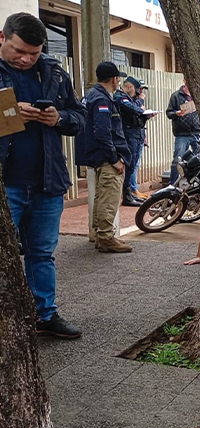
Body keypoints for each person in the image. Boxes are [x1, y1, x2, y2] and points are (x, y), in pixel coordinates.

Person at [0, 12, 86, 339]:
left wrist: (58, 118)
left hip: (47, 182)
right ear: (2, 38)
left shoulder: (53, 72)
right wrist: (8, 112)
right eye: (19, 51)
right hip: (6, 182)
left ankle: (44, 314)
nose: (26, 59)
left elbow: (79, 116)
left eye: (33, 53)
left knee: (42, 252)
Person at [83, 61, 133, 253]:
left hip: (99, 155)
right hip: (107, 157)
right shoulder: (102, 100)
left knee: (102, 196)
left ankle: (100, 234)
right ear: (114, 79)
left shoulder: (93, 96)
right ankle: (105, 236)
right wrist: (114, 159)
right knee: (109, 197)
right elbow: (103, 132)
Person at [114, 76, 156, 206]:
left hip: (137, 134)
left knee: (132, 166)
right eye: (138, 91)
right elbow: (134, 109)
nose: (140, 94)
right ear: (130, 87)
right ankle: (126, 196)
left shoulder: (131, 99)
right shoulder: (121, 97)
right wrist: (140, 103)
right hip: (129, 135)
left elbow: (137, 115)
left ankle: (130, 193)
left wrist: (146, 115)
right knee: (130, 165)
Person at [166, 80, 200, 184]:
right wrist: (176, 113)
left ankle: (196, 184)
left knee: (199, 159)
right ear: (184, 81)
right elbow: (169, 113)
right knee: (178, 159)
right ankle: (173, 184)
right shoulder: (176, 96)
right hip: (182, 134)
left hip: (196, 132)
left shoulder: (197, 95)